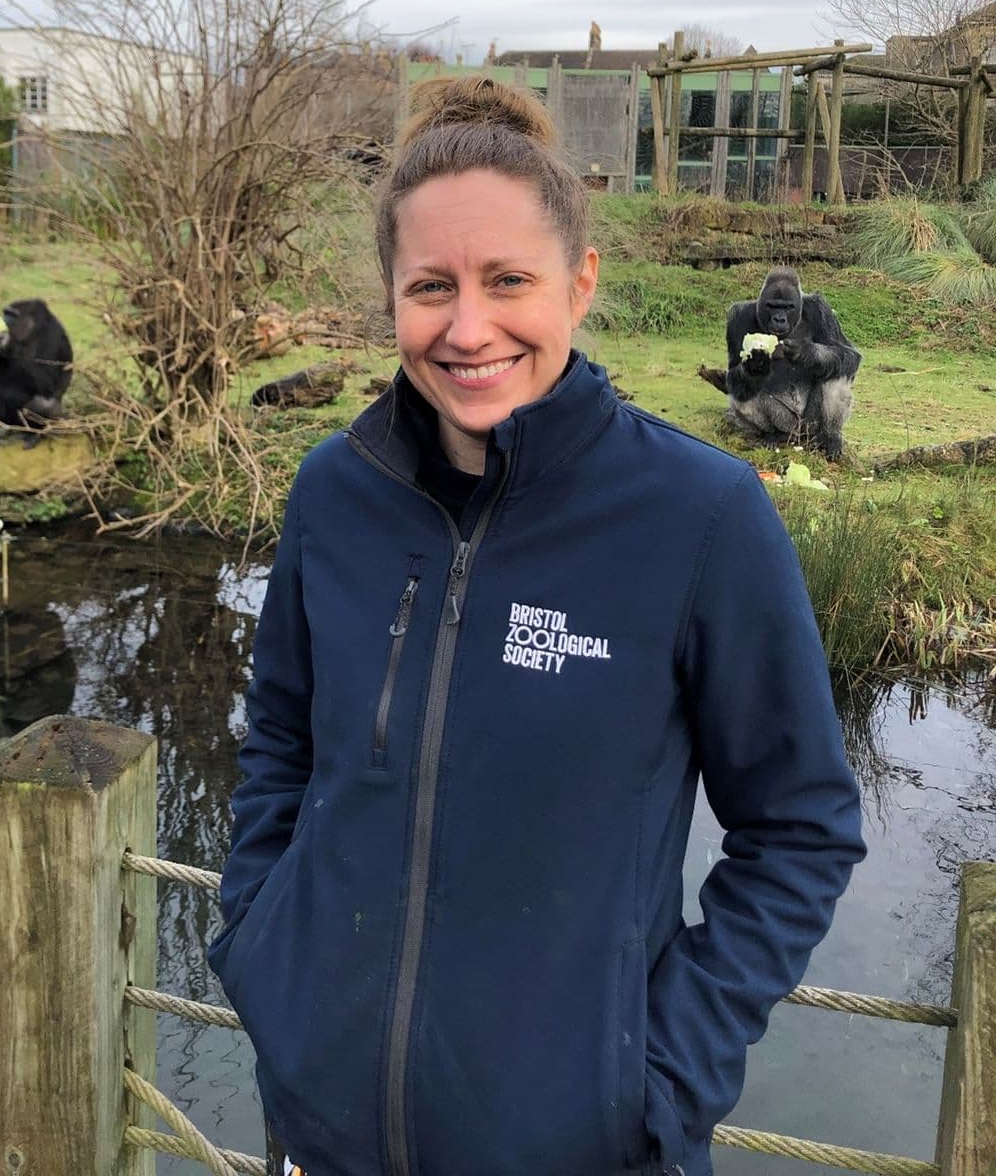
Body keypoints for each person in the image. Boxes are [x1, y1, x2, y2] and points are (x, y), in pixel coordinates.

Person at [209, 76, 865, 1176]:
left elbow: (801, 826)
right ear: (392, 294)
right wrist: (261, 944)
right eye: (431, 285)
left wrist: (657, 1081)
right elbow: (280, 738)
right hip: (319, 1135)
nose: (469, 328)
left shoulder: (700, 517)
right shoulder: (333, 493)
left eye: (509, 279)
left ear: (581, 282)